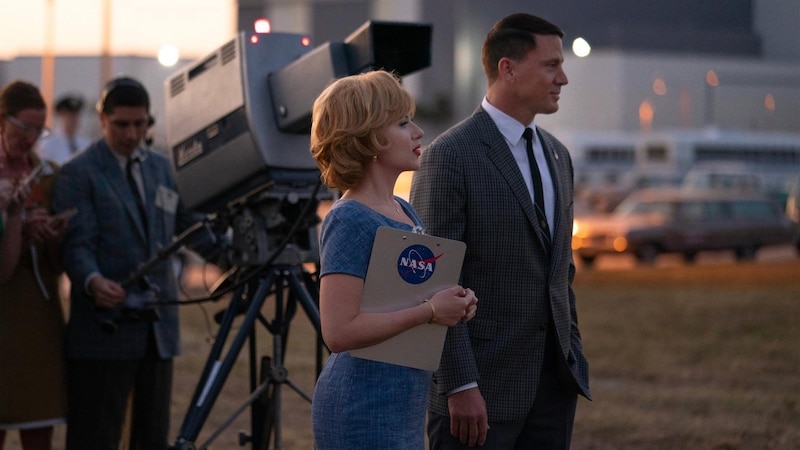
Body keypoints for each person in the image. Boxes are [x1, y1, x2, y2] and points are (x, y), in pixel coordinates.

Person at [410, 13, 592, 449]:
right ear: (507, 68)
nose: (563, 78)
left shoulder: (557, 156)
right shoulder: (449, 156)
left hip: (553, 391)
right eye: (550, 65)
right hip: (478, 395)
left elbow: (559, 274)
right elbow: (432, 281)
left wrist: (572, 357)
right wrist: (458, 384)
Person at [309, 70, 478, 449]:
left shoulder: (403, 209)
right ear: (367, 137)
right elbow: (338, 333)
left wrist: (456, 303)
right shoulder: (349, 216)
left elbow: (405, 299)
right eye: (402, 123)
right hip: (361, 405)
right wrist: (431, 312)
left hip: (402, 404)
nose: (418, 132)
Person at [52, 76, 216, 450]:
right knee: (96, 436)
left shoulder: (162, 169)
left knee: (152, 436)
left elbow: (190, 228)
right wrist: (93, 280)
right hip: (104, 329)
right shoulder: (78, 174)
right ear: (103, 119)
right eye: (121, 124)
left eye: (139, 124)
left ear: (149, 122)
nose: (131, 134)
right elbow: (78, 244)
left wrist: (237, 253)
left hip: (157, 332)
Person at [0, 80, 68, 450]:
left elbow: (59, 262)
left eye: (38, 129)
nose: (30, 137)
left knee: (38, 420)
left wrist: (51, 233)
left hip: (36, 308)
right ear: (1, 120)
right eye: (23, 126)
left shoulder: (49, 176)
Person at [37, 94, 91, 165]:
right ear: (61, 116)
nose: (73, 120)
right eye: (69, 116)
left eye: (75, 115)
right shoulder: (49, 145)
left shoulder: (86, 144)